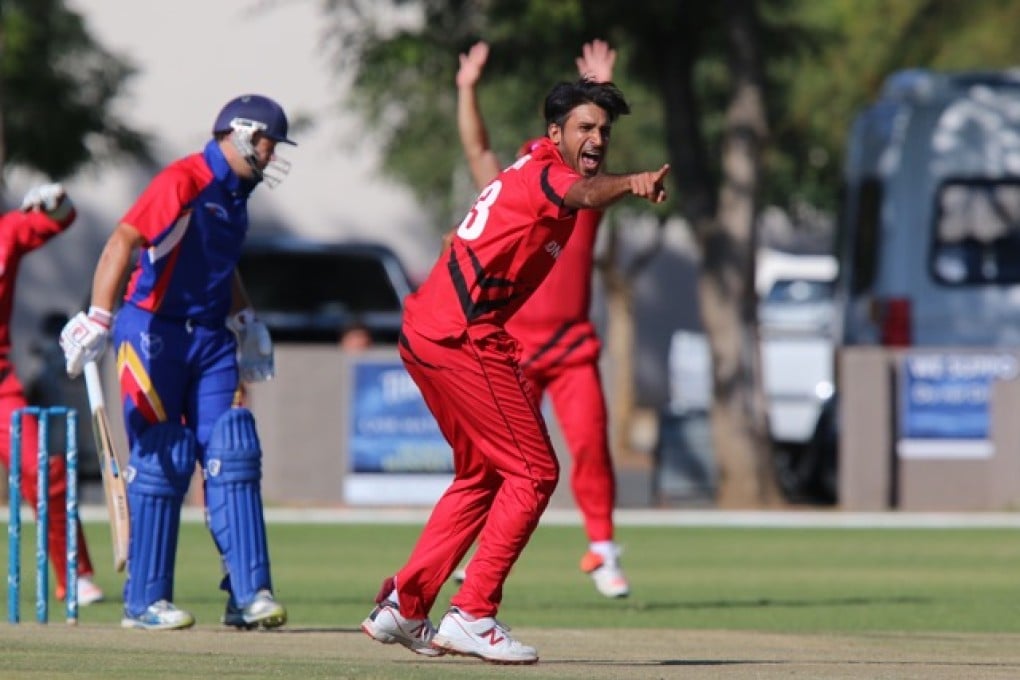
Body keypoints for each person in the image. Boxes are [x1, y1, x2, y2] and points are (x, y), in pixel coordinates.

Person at [360, 72, 668, 664]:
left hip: (427, 329)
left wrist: (596, 94)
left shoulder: (533, 168)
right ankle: (473, 612)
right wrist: (631, 183)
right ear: (553, 133)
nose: (597, 137)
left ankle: (405, 604)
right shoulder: (551, 174)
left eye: (604, 129)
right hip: (463, 335)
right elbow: (578, 192)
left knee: (481, 475)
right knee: (535, 471)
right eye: (584, 126)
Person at [58, 94, 294, 631]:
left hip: (211, 337)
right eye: (268, 142)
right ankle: (144, 602)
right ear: (241, 133)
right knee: (163, 458)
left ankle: (248, 593)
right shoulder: (184, 179)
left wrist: (246, 320)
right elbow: (125, 238)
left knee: (232, 449)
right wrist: (99, 315)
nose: (272, 154)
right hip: (153, 333)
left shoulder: (236, 196)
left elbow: (220, 265)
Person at [452, 39, 631, 599]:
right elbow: (477, 146)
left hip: (572, 345)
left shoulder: (582, 190)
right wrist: (467, 88)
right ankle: (472, 554)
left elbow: (598, 161)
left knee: (591, 445)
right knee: (497, 461)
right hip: (514, 350)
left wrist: (598, 92)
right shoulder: (520, 184)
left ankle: (602, 549)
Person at [0, 184, 104, 606]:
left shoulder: (6, 233)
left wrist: (57, 203)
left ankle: (74, 574)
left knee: (44, 469)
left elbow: (59, 221)